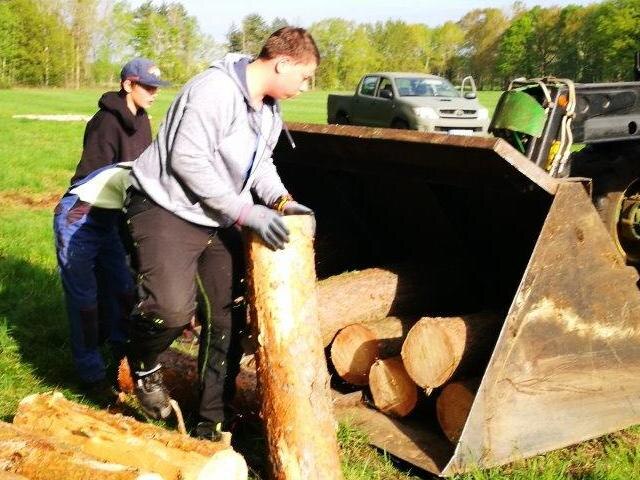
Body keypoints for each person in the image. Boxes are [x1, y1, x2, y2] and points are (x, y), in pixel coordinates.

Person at [124, 27, 320, 439]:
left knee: (224, 318)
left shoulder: (267, 109)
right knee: (172, 310)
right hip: (165, 204)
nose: (306, 86)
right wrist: (246, 212)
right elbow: (186, 160)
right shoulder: (214, 90)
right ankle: (143, 363)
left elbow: (260, 164)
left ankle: (209, 422)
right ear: (281, 63)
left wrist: (284, 201)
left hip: (214, 214)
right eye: (304, 77)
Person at [53, 58, 168, 389]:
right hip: (81, 216)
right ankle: (91, 374)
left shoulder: (143, 120)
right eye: (147, 86)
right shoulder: (104, 122)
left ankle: (122, 360)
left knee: (121, 289)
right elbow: (100, 178)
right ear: (128, 84)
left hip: (111, 216)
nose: (153, 93)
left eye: (156, 87)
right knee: (85, 299)